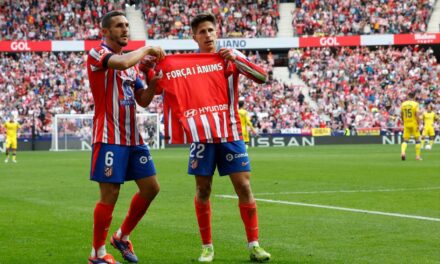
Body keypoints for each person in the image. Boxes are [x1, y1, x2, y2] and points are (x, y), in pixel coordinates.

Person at [189, 13, 271, 262]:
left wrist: (236, 58)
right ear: (194, 37)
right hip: (202, 134)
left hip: (231, 132)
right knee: (203, 189)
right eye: (202, 32)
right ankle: (207, 247)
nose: (208, 35)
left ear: (217, 32)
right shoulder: (188, 65)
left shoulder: (231, 57)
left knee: (244, 186)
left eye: (211, 30)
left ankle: (254, 245)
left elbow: (262, 77)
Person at [86, 10, 165, 264]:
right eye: (119, 26)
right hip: (109, 136)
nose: (125, 29)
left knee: (151, 188)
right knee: (110, 194)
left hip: (134, 139)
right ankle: (97, 253)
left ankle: (122, 236)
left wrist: (154, 80)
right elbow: (120, 63)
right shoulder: (97, 54)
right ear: (106, 31)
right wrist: (147, 49)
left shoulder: (132, 67)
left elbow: (142, 100)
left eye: (127, 25)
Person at [400, 91, 422, 161]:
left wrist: (403, 121)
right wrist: (419, 124)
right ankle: (417, 156)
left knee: (405, 140)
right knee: (417, 140)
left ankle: (403, 152)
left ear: (408, 96)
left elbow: (401, 114)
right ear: (414, 97)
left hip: (406, 123)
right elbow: (417, 115)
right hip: (414, 123)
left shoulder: (403, 104)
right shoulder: (415, 104)